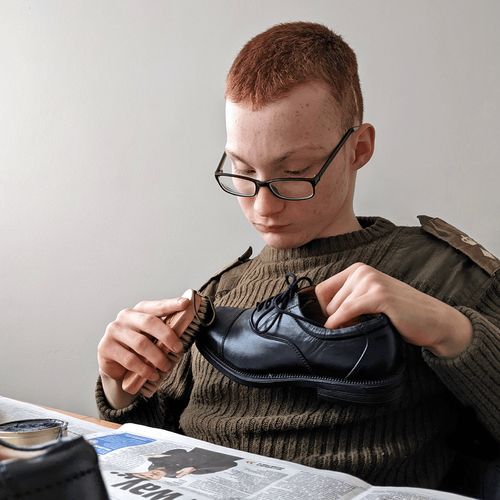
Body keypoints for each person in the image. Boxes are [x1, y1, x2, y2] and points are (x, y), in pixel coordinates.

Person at [96, 22, 499, 493]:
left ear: (359, 149)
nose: (263, 208)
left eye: (295, 173)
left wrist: (453, 331)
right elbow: (151, 436)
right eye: (243, 172)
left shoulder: (442, 273)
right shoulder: (219, 294)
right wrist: (120, 383)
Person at [132, 447, 242, 480]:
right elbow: (230, 464)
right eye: (150, 478)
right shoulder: (184, 473)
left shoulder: (155, 462)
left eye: (142, 474)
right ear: (158, 479)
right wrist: (195, 468)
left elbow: (181, 451)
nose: (150, 475)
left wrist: (165, 455)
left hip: (202, 446)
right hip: (230, 452)